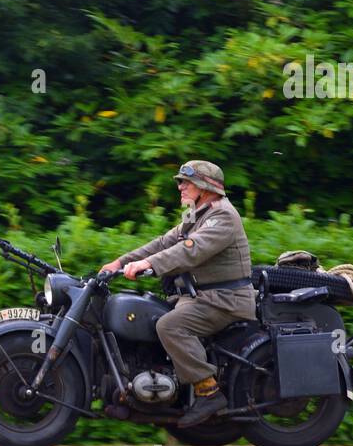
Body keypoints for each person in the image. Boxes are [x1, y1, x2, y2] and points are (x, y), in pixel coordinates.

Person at [99, 160, 254, 427]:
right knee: (149, 318)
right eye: (180, 182)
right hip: (199, 296)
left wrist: (149, 264)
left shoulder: (222, 216)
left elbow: (190, 250)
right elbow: (165, 242)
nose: (180, 186)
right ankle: (143, 391)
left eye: (186, 182)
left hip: (224, 300)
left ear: (205, 187)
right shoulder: (196, 213)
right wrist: (120, 262)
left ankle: (209, 392)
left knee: (170, 326)